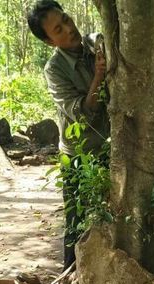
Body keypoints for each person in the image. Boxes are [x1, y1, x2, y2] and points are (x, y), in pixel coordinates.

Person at [27, 0, 110, 270]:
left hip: (110, 147)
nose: (68, 30)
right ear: (50, 42)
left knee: (111, 215)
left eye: (66, 19)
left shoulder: (95, 43)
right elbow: (82, 115)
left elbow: (104, 38)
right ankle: (68, 275)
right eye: (58, 30)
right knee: (75, 219)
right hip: (76, 154)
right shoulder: (54, 70)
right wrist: (98, 76)